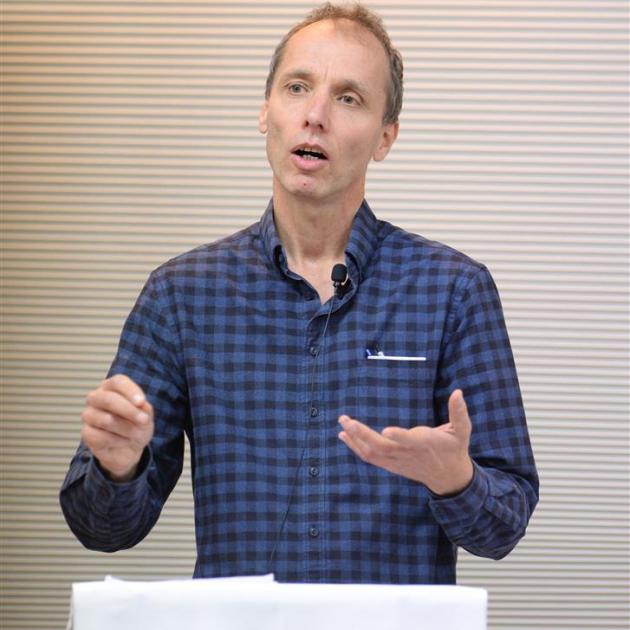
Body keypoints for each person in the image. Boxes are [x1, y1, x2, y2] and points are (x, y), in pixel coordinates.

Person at [60, 2, 538, 584]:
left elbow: (505, 525)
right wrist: (117, 464)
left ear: (385, 137)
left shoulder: (454, 290)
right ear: (265, 111)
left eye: (348, 98)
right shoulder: (181, 295)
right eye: (297, 87)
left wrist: (454, 478)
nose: (315, 115)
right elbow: (102, 529)